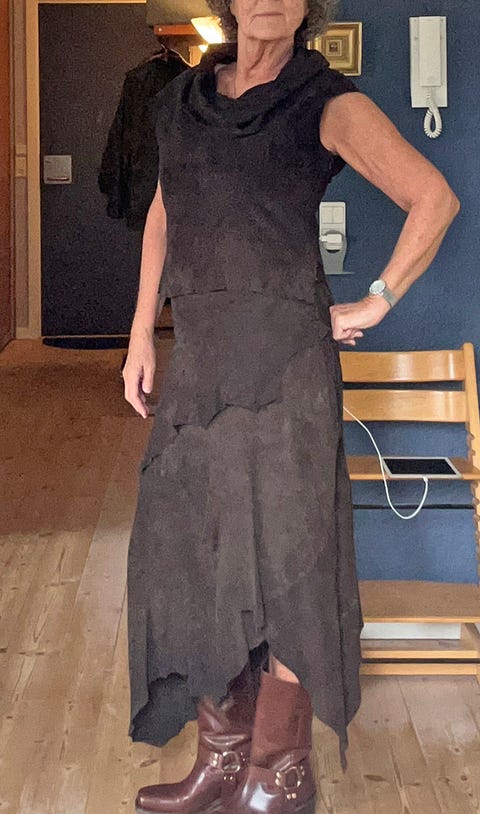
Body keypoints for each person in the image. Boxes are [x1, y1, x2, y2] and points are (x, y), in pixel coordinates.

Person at [123, 1, 460, 812]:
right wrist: (139, 332)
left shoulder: (326, 102)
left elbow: (434, 198)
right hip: (202, 363)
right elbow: (165, 213)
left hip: (288, 372)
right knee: (197, 555)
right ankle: (221, 758)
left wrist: (377, 299)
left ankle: (278, 775)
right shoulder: (179, 102)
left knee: (290, 565)